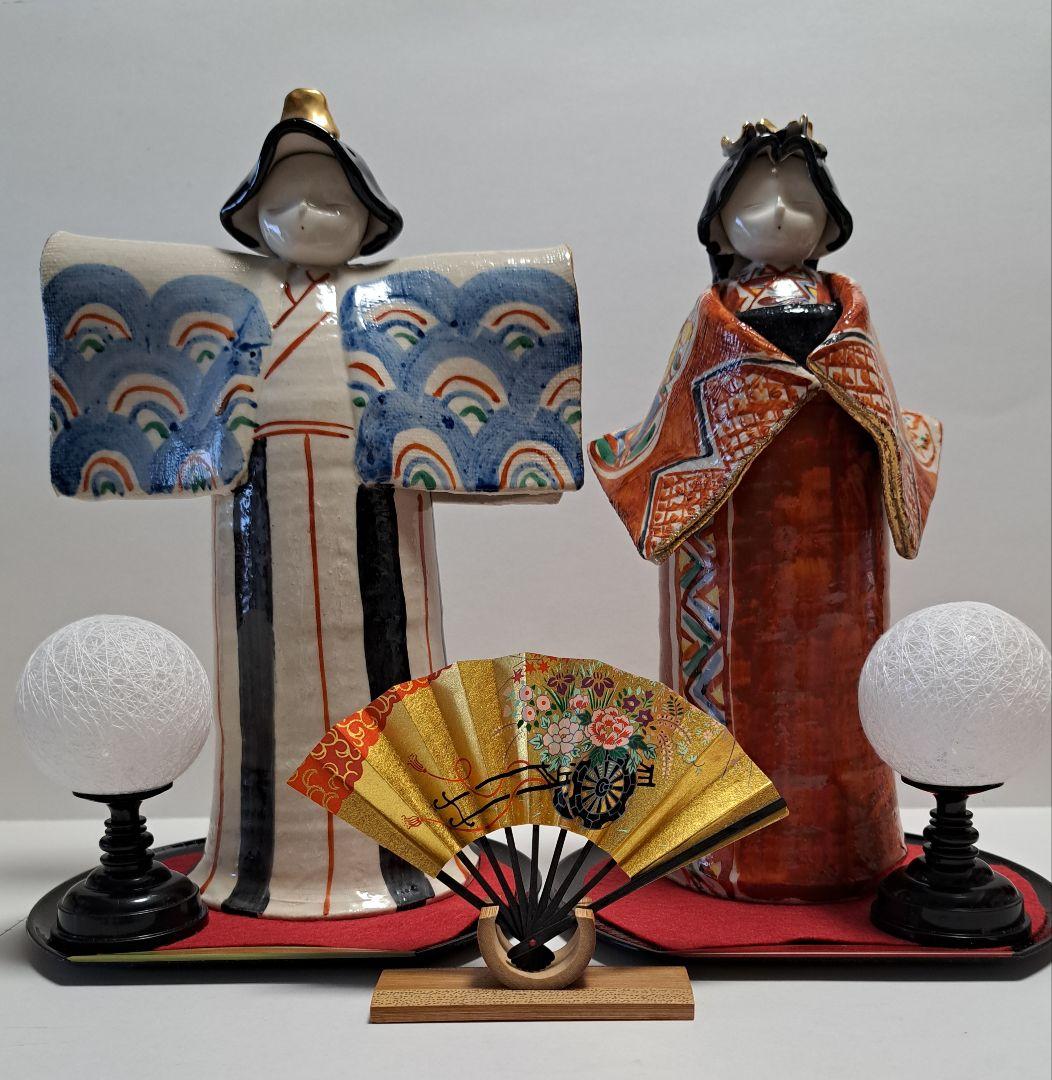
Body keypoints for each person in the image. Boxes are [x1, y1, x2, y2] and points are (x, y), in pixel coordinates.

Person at [590, 117, 942, 901]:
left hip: (841, 539)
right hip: (726, 539)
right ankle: (714, 851)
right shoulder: (713, 317)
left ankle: (847, 847)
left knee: (838, 685)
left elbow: (884, 418)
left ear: (832, 221)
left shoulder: (847, 310)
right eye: (757, 198)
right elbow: (675, 426)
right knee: (733, 687)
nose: (781, 213)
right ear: (719, 225)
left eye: (801, 199)